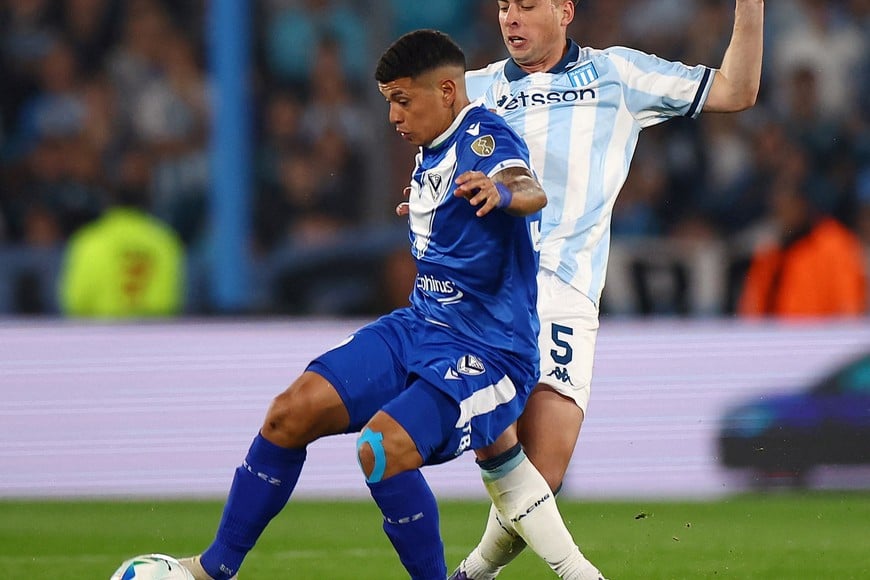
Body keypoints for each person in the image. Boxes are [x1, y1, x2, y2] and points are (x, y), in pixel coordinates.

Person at [179, 30, 603, 580]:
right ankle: (214, 568)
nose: (393, 118)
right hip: (421, 325)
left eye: (403, 101)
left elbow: (526, 186)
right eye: (388, 103)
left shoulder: (484, 137)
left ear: (447, 91)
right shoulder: (433, 151)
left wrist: (504, 194)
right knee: (290, 412)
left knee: (381, 449)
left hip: (489, 349)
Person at [450, 1, 765, 578]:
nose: (509, 19)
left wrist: (750, 6)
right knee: (499, 450)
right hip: (489, 294)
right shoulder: (473, 91)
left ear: (565, 9)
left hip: (569, 290)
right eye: (501, 7)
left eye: (525, 5)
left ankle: (472, 572)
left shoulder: (617, 75)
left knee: (543, 472)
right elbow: (413, 131)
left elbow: (737, 91)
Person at [738, 178, 867, 317]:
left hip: (822, 334)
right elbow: (753, 305)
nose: (781, 215)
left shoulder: (833, 244)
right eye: (776, 209)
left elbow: (849, 303)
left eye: (786, 206)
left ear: (802, 205)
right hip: (774, 334)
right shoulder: (770, 250)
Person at [57, 183, 185, 318]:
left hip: (98, 333)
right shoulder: (164, 241)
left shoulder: (89, 240)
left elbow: (74, 300)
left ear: (109, 206)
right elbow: (173, 299)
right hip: (154, 333)